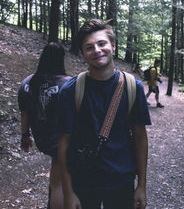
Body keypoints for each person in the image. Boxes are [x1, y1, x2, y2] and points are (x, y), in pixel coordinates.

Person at [57, 19, 151, 209]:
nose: (97, 50)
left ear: (113, 46)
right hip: (83, 182)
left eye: (102, 44)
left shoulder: (133, 87)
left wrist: (141, 186)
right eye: (89, 47)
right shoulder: (71, 90)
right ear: (83, 54)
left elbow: (140, 137)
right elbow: (63, 142)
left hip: (122, 182)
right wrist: (68, 192)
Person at [18, 42, 71, 209]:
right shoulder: (68, 84)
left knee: (57, 184)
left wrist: (25, 136)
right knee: (60, 185)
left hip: (43, 141)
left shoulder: (27, 83)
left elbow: (24, 112)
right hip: (65, 142)